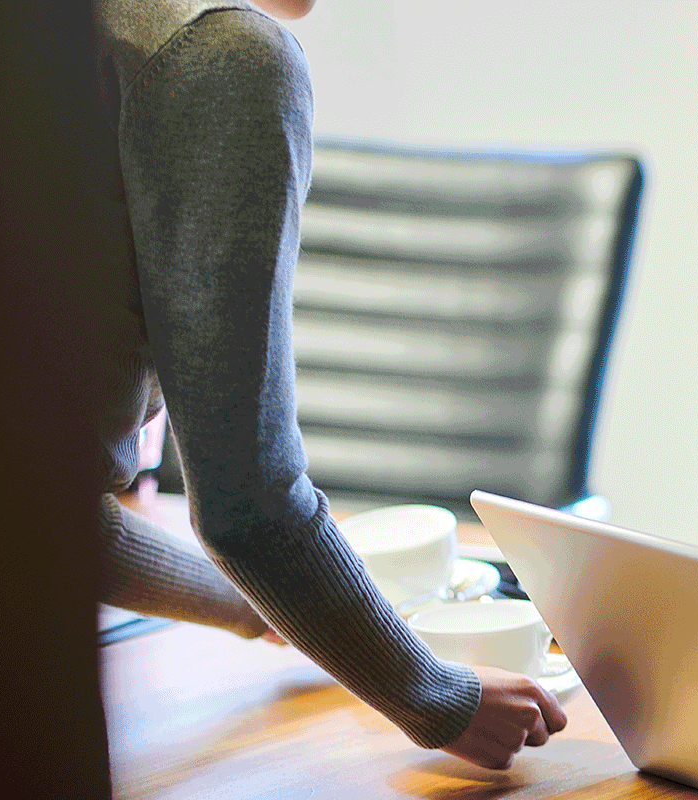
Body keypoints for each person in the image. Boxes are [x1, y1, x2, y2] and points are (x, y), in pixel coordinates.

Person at [93, 0, 563, 769]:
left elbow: (27, 516)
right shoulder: (221, 57)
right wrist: (437, 696)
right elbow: (250, 508)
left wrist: (269, 609)